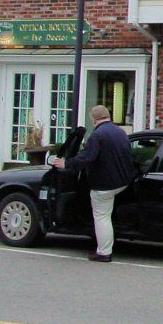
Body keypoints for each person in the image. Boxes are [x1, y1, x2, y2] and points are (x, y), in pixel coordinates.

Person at [53, 105, 134, 263]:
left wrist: (66, 164)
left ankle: (104, 252)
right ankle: (106, 247)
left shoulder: (98, 135)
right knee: (106, 214)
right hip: (123, 181)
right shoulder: (121, 132)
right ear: (108, 116)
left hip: (104, 185)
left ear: (94, 119)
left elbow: (87, 158)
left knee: (102, 217)